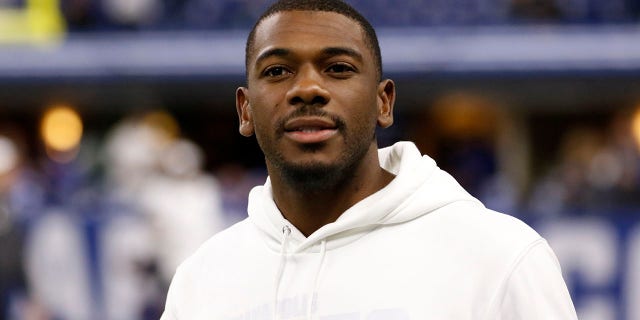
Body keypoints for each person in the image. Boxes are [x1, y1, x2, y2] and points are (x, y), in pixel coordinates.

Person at [161, 0, 578, 319]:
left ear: (384, 102)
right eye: (277, 71)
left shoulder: (501, 258)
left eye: (338, 68)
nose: (307, 88)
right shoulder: (202, 279)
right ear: (245, 110)